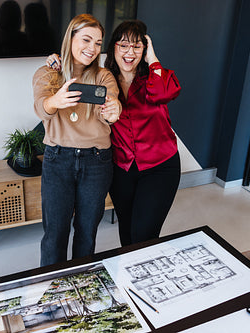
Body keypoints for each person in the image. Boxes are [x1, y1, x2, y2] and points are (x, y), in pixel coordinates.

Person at [46, 20, 181, 247]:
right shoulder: (103, 79)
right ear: (113, 48)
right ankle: (130, 279)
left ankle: (145, 278)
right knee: (127, 234)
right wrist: (57, 60)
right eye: (123, 45)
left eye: (137, 46)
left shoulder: (155, 78)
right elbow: (74, 74)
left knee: (143, 235)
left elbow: (164, 93)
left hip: (159, 167)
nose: (130, 52)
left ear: (144, 50)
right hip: (122, 169)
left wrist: (153, 59)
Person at [33, 14, 121, 266]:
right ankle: (52, 286)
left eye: (97, 43)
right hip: (57, 160)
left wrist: (114, 111)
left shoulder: (103, 77)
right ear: (70, 38)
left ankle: (81, 285)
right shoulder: (48, 74)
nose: (92, 48)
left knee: (86, 232)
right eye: (85, 39)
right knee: (55, 234)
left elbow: (112, 103)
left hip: (97, 162)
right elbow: (41, 107)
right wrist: (54, 102)